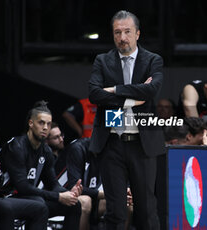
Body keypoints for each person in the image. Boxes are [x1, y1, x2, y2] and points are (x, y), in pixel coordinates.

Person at [88, 10, 165, 229]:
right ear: (113, 35)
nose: (123, 38)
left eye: (127, 32)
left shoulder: (153, 60)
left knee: (147, 211)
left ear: (138, 34)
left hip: (142, 144)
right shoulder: (102, 61)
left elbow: (151, 90)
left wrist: (114, 90)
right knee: (115, 212)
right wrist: (130, 100)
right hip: (111, 143)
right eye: (118, 32)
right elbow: (94, 94)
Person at [0, 100, 83, 230]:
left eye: (48, 124)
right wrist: (59, 197)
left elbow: (52, 184)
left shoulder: (46, 151)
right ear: (31, 123)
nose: (45, 128)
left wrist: (68, 194)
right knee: (39, 204)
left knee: (74, 204)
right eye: (41, 123)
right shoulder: (17, 146)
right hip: (4, 197)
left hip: (28, 197)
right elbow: (23, 187)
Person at [47, 123, 93, 230]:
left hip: (67, 192)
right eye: (56, 138)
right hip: (51, 195)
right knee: (84, 201)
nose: (61, 139)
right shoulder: (47, 156)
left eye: (61, 135)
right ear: (47, 141)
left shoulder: (67, 153)